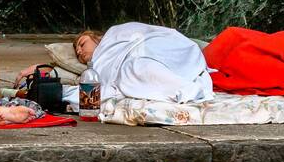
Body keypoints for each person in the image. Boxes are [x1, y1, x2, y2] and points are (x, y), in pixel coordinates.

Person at [74, 23, 214, 104]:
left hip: (156, 47)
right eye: (77, 52)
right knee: (132, 69)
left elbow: (145, 32)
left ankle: (185, 87)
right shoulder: (95, 68)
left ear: (95, 37)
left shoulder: (114, 33)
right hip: (132, 63)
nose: (79, 51)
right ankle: (181, 88)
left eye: (82, 44)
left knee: (137, 65)